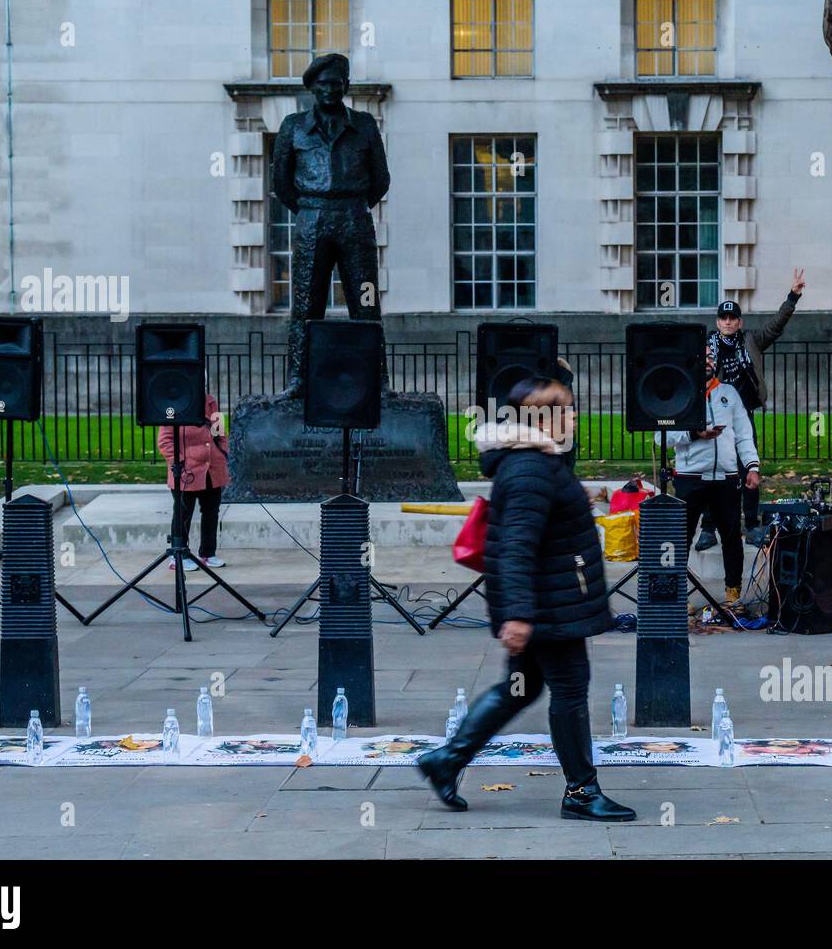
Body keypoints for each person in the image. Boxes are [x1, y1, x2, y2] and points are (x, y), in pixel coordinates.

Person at [416, 377, 635, 822]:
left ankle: (447, 760)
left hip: (547, 601)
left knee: (523, 688)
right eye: (566, 410)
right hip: (547, 607)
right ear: (540, 418)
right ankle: (581, 792)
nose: (574, 417)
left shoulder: (535, 463)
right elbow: (515, 546)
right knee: (570, 690)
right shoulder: (531, 470)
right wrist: (516, 616)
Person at [270, 52, 391, 396]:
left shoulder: (365, 125)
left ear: (346, 86)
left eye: (336, 84)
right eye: (323, 84)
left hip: (354, 218)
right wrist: (311, 208)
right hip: (312, 220)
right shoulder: (293, 127)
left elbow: (381, 179)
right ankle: (298, 381)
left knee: (366, 303)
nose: (330, 90)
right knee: (306, 305)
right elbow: (281, 184)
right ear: (312, 88)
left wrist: (352, 206)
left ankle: (377, 381)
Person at [694, 269, 806, 551]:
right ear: (718, 321)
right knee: (712, 469)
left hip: (743, 416)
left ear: (739, 321)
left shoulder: (751, 341)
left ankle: (752, 525)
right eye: (724, 318)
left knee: (749, 468)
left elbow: (776, 326)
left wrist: (792, 297)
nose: (728, 322)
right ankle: (708, 528)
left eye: (733, 318)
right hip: (714, 415)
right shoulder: (707, 347)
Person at [656, 370, 760, 611]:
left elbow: (744, 434)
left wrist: (752, 466)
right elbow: (662, 438)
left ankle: (733, 595)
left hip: (727, 477)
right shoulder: (680, 393)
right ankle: (679, 596)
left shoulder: (729, 393)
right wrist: (695, 434)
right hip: (690, 478)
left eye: (711, 357)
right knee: (682, 537)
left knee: (732, 537)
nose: (707, 362)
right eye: (702, 356)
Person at [157, 392, 229, 571]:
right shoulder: (173, 404)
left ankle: (208, 553)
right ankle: (178, 554)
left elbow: (220, 433)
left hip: (212, 468)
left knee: (211, 511)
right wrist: (179, 462)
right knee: (183, 512)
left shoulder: (211, 401)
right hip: (186, 471)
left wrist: (222, 452)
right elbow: (165, 441)